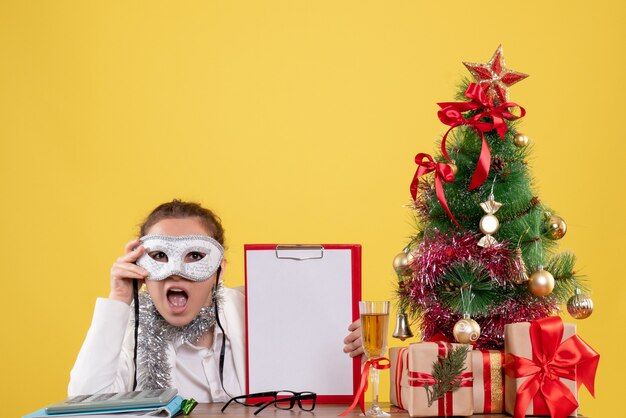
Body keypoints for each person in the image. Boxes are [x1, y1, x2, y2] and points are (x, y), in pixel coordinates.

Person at [69, 199, 363, 402]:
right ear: (141, 270)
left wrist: (357, 347)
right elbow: (84, 403)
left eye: (195, 256)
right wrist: (118, 298)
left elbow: (320, 372)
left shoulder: (259, 311)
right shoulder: (127, 330)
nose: (176, 271)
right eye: (159, 256)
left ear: (219, 270)